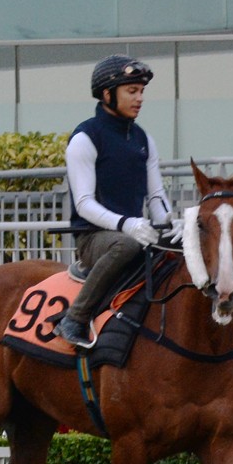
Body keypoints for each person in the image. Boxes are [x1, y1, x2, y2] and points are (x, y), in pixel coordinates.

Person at [55, 54, 182, 346]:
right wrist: (126, 224)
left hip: (132, 231)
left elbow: (157, 196)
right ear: (107, 94)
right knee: (127, 245)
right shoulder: (86, 138)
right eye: (132, 91)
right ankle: (74, 318)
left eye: (141, 92)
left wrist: (168, 225)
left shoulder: (143, 139)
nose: (140, 99)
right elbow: (84, 204)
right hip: (95, 239)